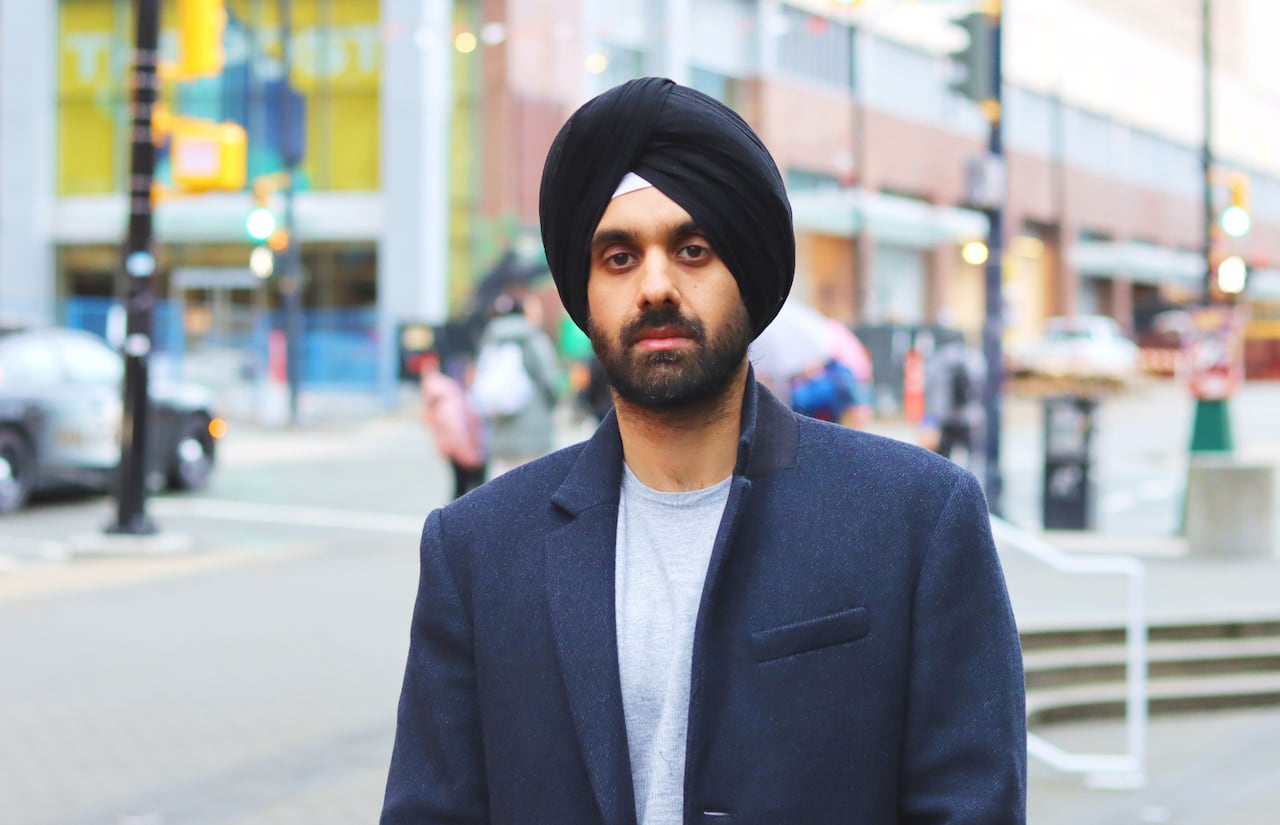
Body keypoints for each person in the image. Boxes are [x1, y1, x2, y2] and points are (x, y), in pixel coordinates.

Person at [382, 77, 1025, 825]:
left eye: (692, 250)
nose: (655, 286)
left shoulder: (915, 517)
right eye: (618, 257)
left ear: (746, 274)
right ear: (584, 292)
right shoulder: (478, 548)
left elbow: (971, 804)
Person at [471, 293, 562, 477]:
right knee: (533, 486)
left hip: (499, 436)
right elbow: (551, 382)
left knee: (501, 487)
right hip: (533, 435)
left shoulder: (490, 341)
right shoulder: (535, 340)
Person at [417, 349, 486, 500]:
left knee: (461, 488)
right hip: (464, 453)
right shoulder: (453, 398)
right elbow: (456, 429)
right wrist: (470, 455)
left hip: (458, 452)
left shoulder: (451, 394)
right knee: (465, 489)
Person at [921, 335, 987, 469]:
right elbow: (982, 386)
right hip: (970, 417)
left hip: (944, 417)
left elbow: (928, 386)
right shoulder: (974, 358)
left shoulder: (939, 358)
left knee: (942, 461)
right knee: (973, 459)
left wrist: (929, 417)